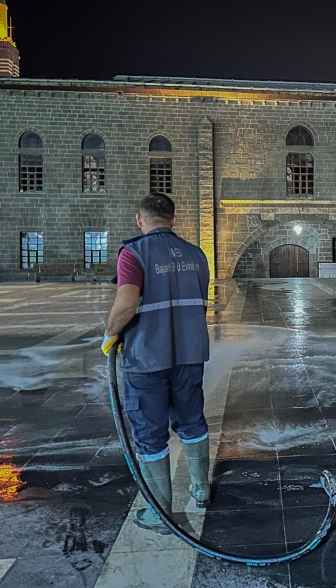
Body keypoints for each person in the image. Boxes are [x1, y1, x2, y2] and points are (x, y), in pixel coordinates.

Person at [102, 193, 211, 535]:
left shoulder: (134, 253)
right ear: (173, 220)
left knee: (150, 434)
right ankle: (201, 490)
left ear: (140, 220)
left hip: (147, 357)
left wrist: (110, 334)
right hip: (190, 353)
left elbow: (126, 303)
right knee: (192, 420)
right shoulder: (196, 254)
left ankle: (161, 513)